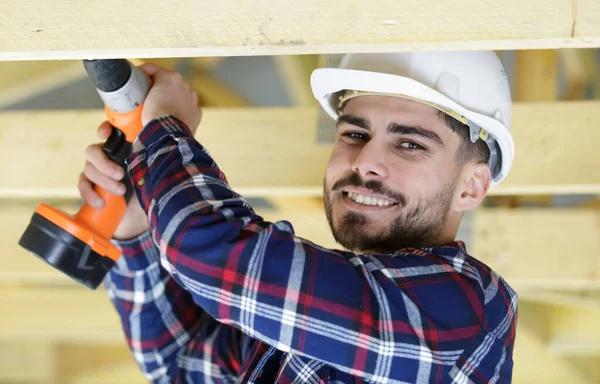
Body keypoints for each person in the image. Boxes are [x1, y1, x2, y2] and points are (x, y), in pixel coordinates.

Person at [80, 51, 518, 383]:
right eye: (354, 133)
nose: (364, 161)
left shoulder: (462, 314)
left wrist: (165, 128)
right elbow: (180, 359)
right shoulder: (327, 331)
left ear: (471, 186)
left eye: (410, 144)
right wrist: (137, 225)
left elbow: (209, 254)